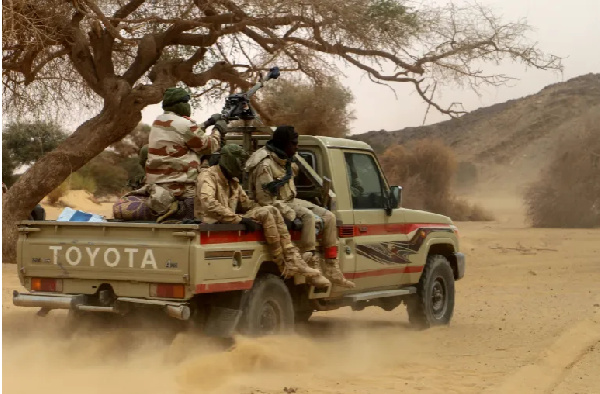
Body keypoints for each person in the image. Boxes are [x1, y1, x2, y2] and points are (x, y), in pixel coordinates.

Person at [195, 144, 330, 286]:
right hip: (212, 221)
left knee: (269, 210)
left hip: (228, 219)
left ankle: (292, 258)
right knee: (266, 211)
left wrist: (273, 208)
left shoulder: (233, 181)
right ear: (230, 160)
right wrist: (239, 219)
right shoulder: (208, 176)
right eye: (239, 162)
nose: (241, 166)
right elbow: (208, 203)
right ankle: (281, 262)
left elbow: (247, 204)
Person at [246, 126, 355, 288]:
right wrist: (289, 213)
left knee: (329, 217)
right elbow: (265, 200)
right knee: (308, 217)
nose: (296, 147)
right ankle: (311, 264)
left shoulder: (285, 160)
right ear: (283, 144)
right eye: (293, 144)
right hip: (274, 203)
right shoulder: (266, 165)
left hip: (290, 199)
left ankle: (332, 267)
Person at [145, 87, 221, 199]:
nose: (187, 106)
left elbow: (185, 134)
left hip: (158, 186)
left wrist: (207, 123)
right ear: (177, 104)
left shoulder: (158, 122)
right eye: (185, 102)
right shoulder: (184, 124)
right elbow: (210, 146)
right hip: (181, 188)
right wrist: (218, 129)